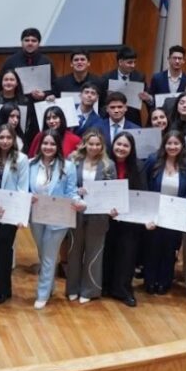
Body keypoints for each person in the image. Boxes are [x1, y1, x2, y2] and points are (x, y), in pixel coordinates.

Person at [28, 130, 85, 309]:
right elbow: (25, 189)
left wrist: (79, 202)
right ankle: (50, 285)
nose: (48, 147)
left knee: (49, 254)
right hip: (36, 215)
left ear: (58, 146)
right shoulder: (30, 164)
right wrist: (29, 196)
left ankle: (42, 293)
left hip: (59, 218)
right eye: (45, 143)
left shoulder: (67, 166)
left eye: (52, 144)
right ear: (40, 145)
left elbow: (71, 192)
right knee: (42, 252)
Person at [142, 130, 186, 295]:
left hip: (176, 214)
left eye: (176, 144)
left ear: (182, 146)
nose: (172, 147)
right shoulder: (153, 160)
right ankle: (150, 280)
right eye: (169, 143)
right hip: (155, 211)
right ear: (164, 145)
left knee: (170, 248)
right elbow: (145, 183)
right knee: (152, 247)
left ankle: (164, 281)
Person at [0, 124, 29, 304]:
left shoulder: (22, 159)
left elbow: (23, 188)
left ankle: (2, 289)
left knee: (4, 248)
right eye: (1, 138)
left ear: (14, 140)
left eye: (8, 138)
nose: (5, 141)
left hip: (11, 210)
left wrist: (20, 214)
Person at [68, 130, 116, 303]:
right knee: (74, 250)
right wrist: (77, 191)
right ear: (84, 144)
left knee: (94, 251)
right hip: (76, 211)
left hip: (98, 214)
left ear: (102, 146)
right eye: (91, 144)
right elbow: (67, 184)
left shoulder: (109, 165)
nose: (94, 147)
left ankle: (89, 290)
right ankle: (72, 288)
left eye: (98, 144)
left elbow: (112, 191)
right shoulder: (73, 160)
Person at [104, 132, 148, 307]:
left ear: (131, 149)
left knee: (127, 255)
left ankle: (122, 289)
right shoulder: (105, 164)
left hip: (130, 219)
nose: (121, 148)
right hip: (107, 217)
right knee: (108, 252)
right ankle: (106, 286)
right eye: (118, 144)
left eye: (125, 146)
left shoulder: (138, 166)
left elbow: (142, 193)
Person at [0, 28, 57, 104]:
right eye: (27, 40)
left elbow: (54, 85)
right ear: (21, 42)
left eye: (34, 41)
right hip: (16, 106)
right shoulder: (11, 61)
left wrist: (45, 94)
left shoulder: (46, 61)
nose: (30, 43)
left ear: (39, 43)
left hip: (39, 105)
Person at [99, 46, 146, 125]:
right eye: (130, 62)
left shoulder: (139, 77)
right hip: (111, 118)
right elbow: (101, 103)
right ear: (120, 62)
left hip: (132, 118)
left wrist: (147, 98)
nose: (133, 65)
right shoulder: (106, 78)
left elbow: (147, 98)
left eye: (134, 62)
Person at [0, 68, 33, 136]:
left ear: (17, 83)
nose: (8, 82)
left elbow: (28, 123)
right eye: (6, 80)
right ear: (1, 82)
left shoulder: (24, 101)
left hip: (17, 136)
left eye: (12, 80)